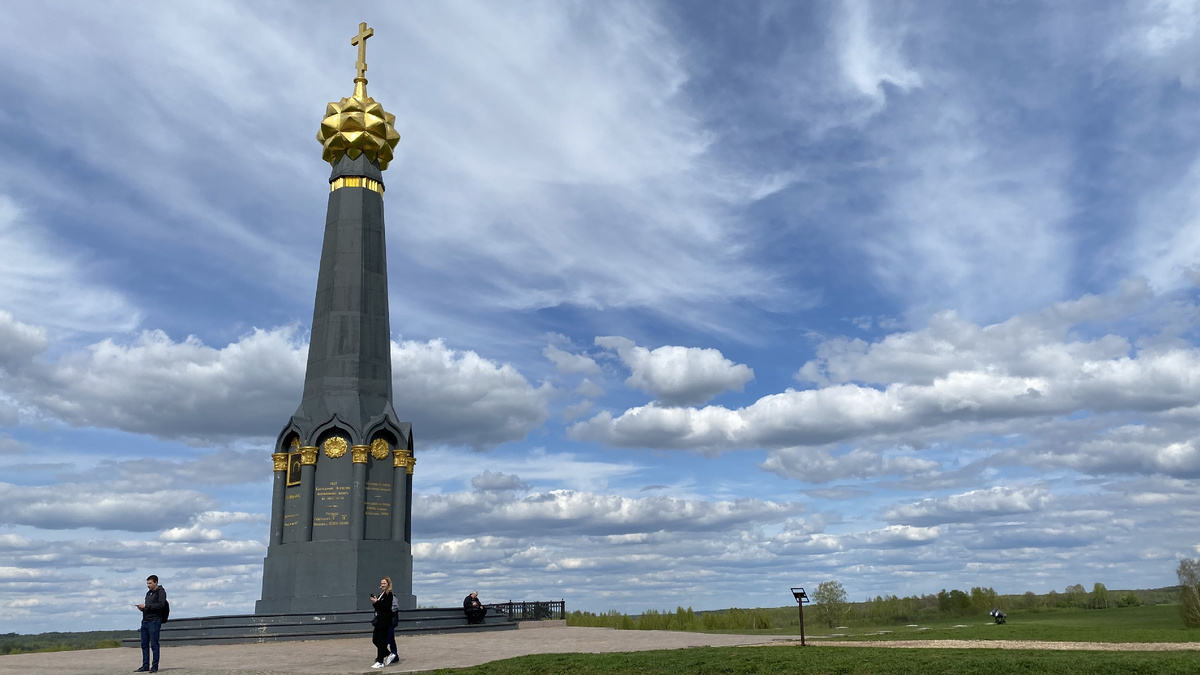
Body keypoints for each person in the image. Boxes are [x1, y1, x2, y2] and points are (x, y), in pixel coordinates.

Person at [134, 574, 167, 673]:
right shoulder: (148, 593)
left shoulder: (161, 592)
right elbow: (149, 607)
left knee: (154, 645)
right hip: (145, 621)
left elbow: (161, 605)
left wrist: (147, 606)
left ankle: (155, 666)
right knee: (144, 644)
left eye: (150, 583)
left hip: (154, 621)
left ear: (156, 582)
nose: (148, 585)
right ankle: (145, 665)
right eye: (147, 583)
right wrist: (142, 608)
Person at [370, 577, 397, 669]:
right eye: (381, 583)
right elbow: (379, 607)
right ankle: (389, 654)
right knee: (375, 640)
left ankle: (380, 661)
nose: (382, 585)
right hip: (379, 620)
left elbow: (386, 607)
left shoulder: (389, 595)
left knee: (381, 641)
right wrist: (375, 602)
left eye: (384, 583)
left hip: (384, 621)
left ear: (388, 584)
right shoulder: (381, 594)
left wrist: (377, 602)